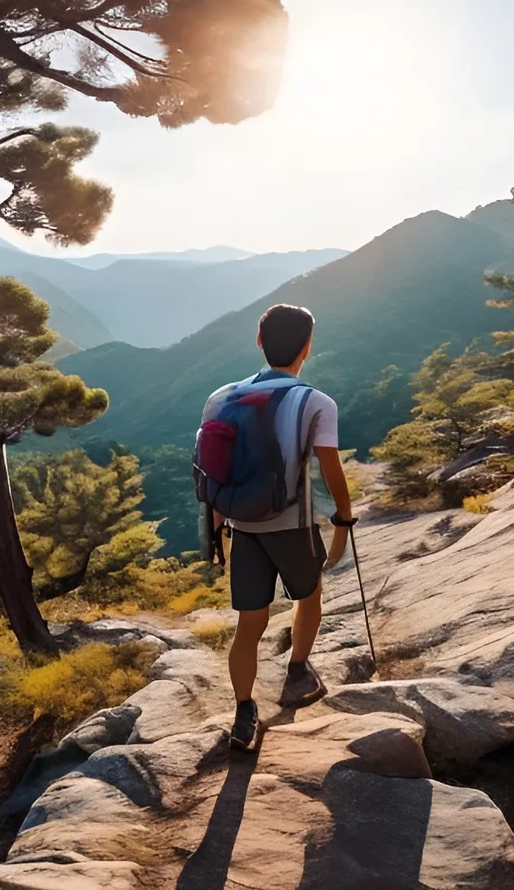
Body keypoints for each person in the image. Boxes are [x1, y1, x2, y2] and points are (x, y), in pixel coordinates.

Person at [198, 303, 354, 751]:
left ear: (259, 341)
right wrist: (343, 520)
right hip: (293, 527)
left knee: (250, 623)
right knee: (310, 596)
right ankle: (298, 669)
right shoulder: (316, 403)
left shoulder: (221, 397)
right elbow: (331, 470)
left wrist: (214, 532)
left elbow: (211, 468)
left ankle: (244, 712)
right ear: (307, 347)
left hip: (242, 525)